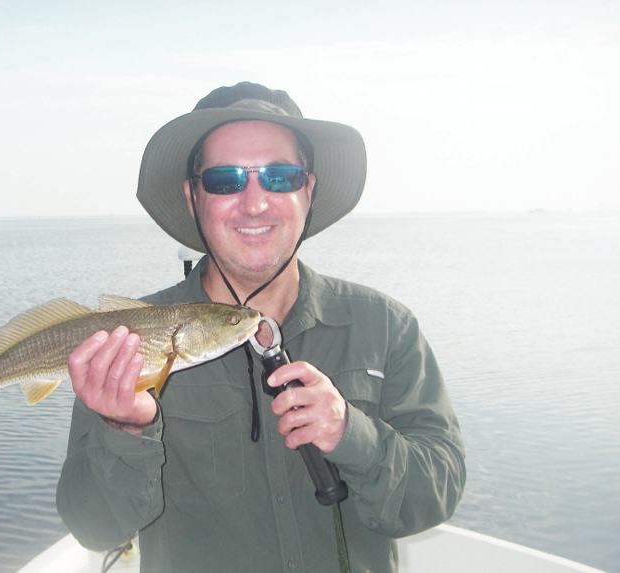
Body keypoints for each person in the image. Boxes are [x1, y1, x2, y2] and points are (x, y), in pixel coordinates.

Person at [56, 82, 465, 572]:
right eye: (225, 180)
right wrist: (124, 426)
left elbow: (435, 495)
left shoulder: (384, 327)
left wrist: (351, 434)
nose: (254, 203)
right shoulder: (127, 343)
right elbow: (94, 528)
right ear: (192, 197)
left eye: (281, 177)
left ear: (307, 191)